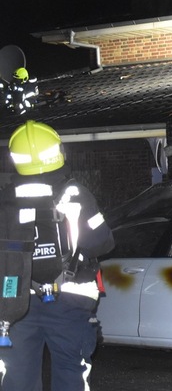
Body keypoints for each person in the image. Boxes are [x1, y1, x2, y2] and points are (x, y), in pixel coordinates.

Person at [0, 120, 115, 391]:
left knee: (17, 378)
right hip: (71, 300)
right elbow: (102, 242)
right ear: (57, 151)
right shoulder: (75, 194)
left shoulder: (5, 200)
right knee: (70, 373)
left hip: (16, 303)